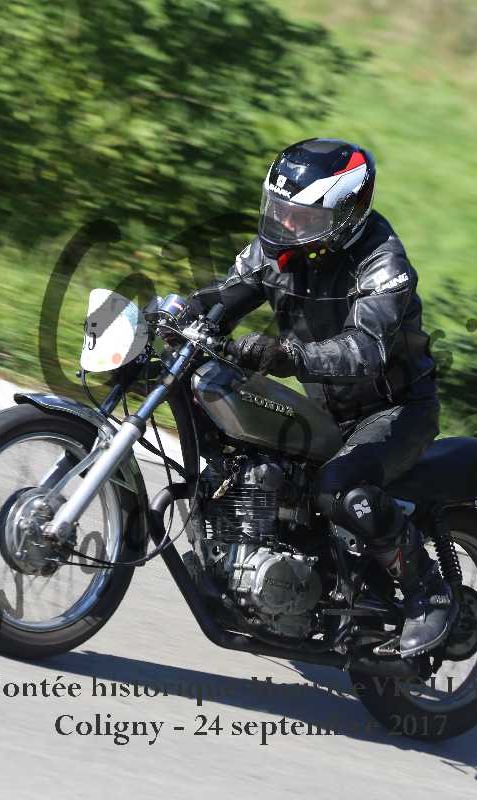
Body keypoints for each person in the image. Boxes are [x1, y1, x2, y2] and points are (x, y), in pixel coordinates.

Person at [188, 138, 455, 657]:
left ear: (347, 213)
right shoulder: (280, 246)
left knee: (339, 489)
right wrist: (177, 315)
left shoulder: (383, 262)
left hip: (395, 410)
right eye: (280, 210)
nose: (286, 224)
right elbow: (224, 296)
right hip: (327, 410)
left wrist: (288, 355)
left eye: (303, 217)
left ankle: (428, 591)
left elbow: (366, 349)